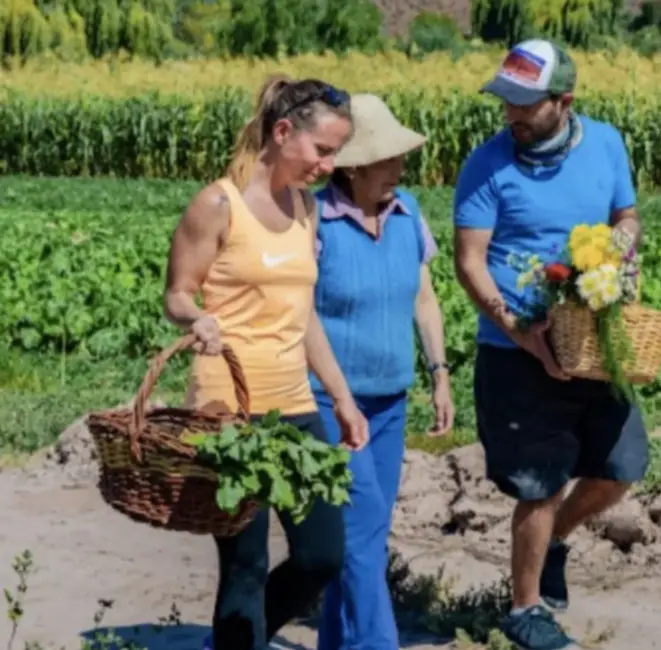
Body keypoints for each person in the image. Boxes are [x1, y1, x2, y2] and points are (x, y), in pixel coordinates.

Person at [452, 39, 648, 650]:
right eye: (506, 101)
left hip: (594, 339)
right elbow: (469, 262)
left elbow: (627, 215)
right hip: (516, 350)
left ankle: (554, 541)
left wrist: (620, 249)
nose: (511, 113)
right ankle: (525, 609)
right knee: (538, 484)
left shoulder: (607, 144)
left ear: (564, 101)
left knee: (620, 468)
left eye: (525, 103)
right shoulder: (486, 165)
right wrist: (518, 328)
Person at [163, 74, 370, 650]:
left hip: (294, 403)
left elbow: (304, 317)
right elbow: (177, 293)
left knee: (322, 554)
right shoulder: (217, 203)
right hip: (227, 407)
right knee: (246, 565)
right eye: (322, 150)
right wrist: (196, 318)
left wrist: (342, 398)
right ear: (282, 133)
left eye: (335, 152)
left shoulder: (305, 206)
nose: (329, 165)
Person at [311, 93, 455, 650]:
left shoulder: (408, 213)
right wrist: (337, 396)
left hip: (390, 402)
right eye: (386, 159)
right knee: (362, 526)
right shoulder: (315, 220)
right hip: (330, 402)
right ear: (352, 167)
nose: (399, 168)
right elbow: (298, 314)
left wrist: (439, 372)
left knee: (364, 534)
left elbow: (423, 297)